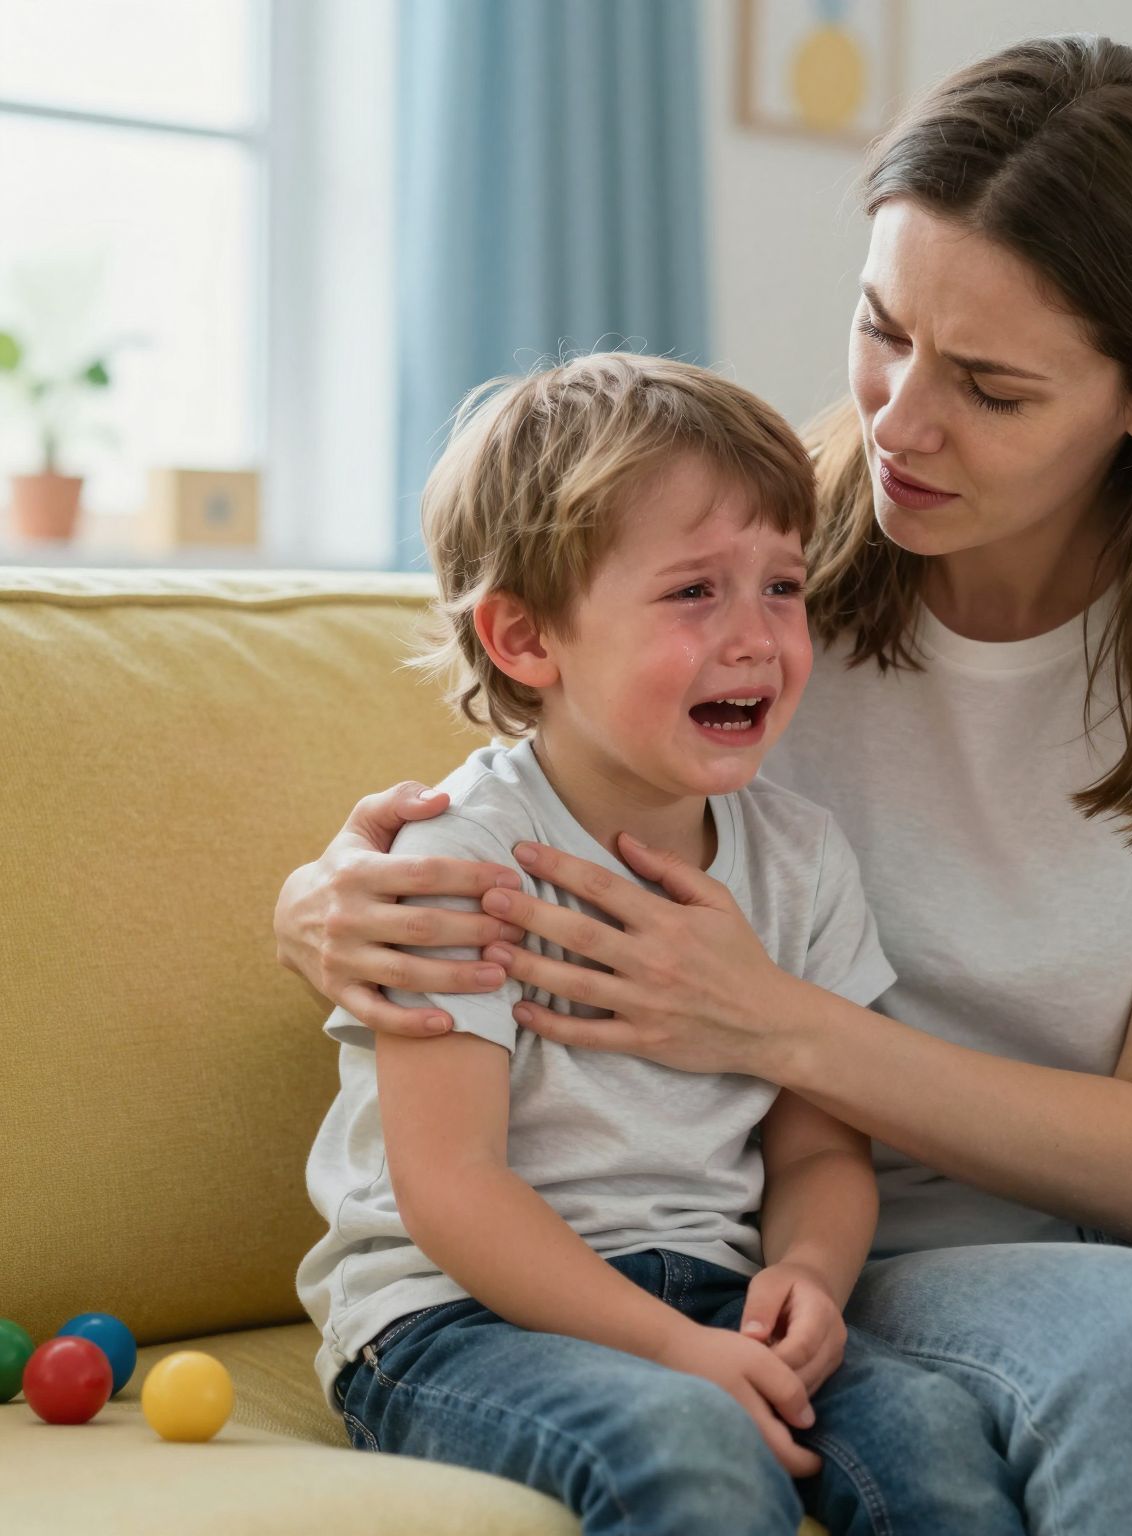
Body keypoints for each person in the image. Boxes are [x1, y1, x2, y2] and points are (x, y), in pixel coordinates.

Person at [278, 35, 1132, 1535]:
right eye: (882, 330)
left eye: (992, 385)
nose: (902, 422)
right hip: (892, 1227)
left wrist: (765, 1014)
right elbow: (525, 739)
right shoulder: (771, 579)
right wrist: (323, 902)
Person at [294, 354, 1025, 1536]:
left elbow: (818, 1157)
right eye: (694, 592)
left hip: (713, 1295)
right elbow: (452, 1191)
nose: (755, 637)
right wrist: (676, 1352)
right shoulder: (458, 863)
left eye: (780, 586)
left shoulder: (800, 859)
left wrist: (809, 1279)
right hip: (454, 1317)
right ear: (527, 640)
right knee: (688, 1448)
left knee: (936, 1442)